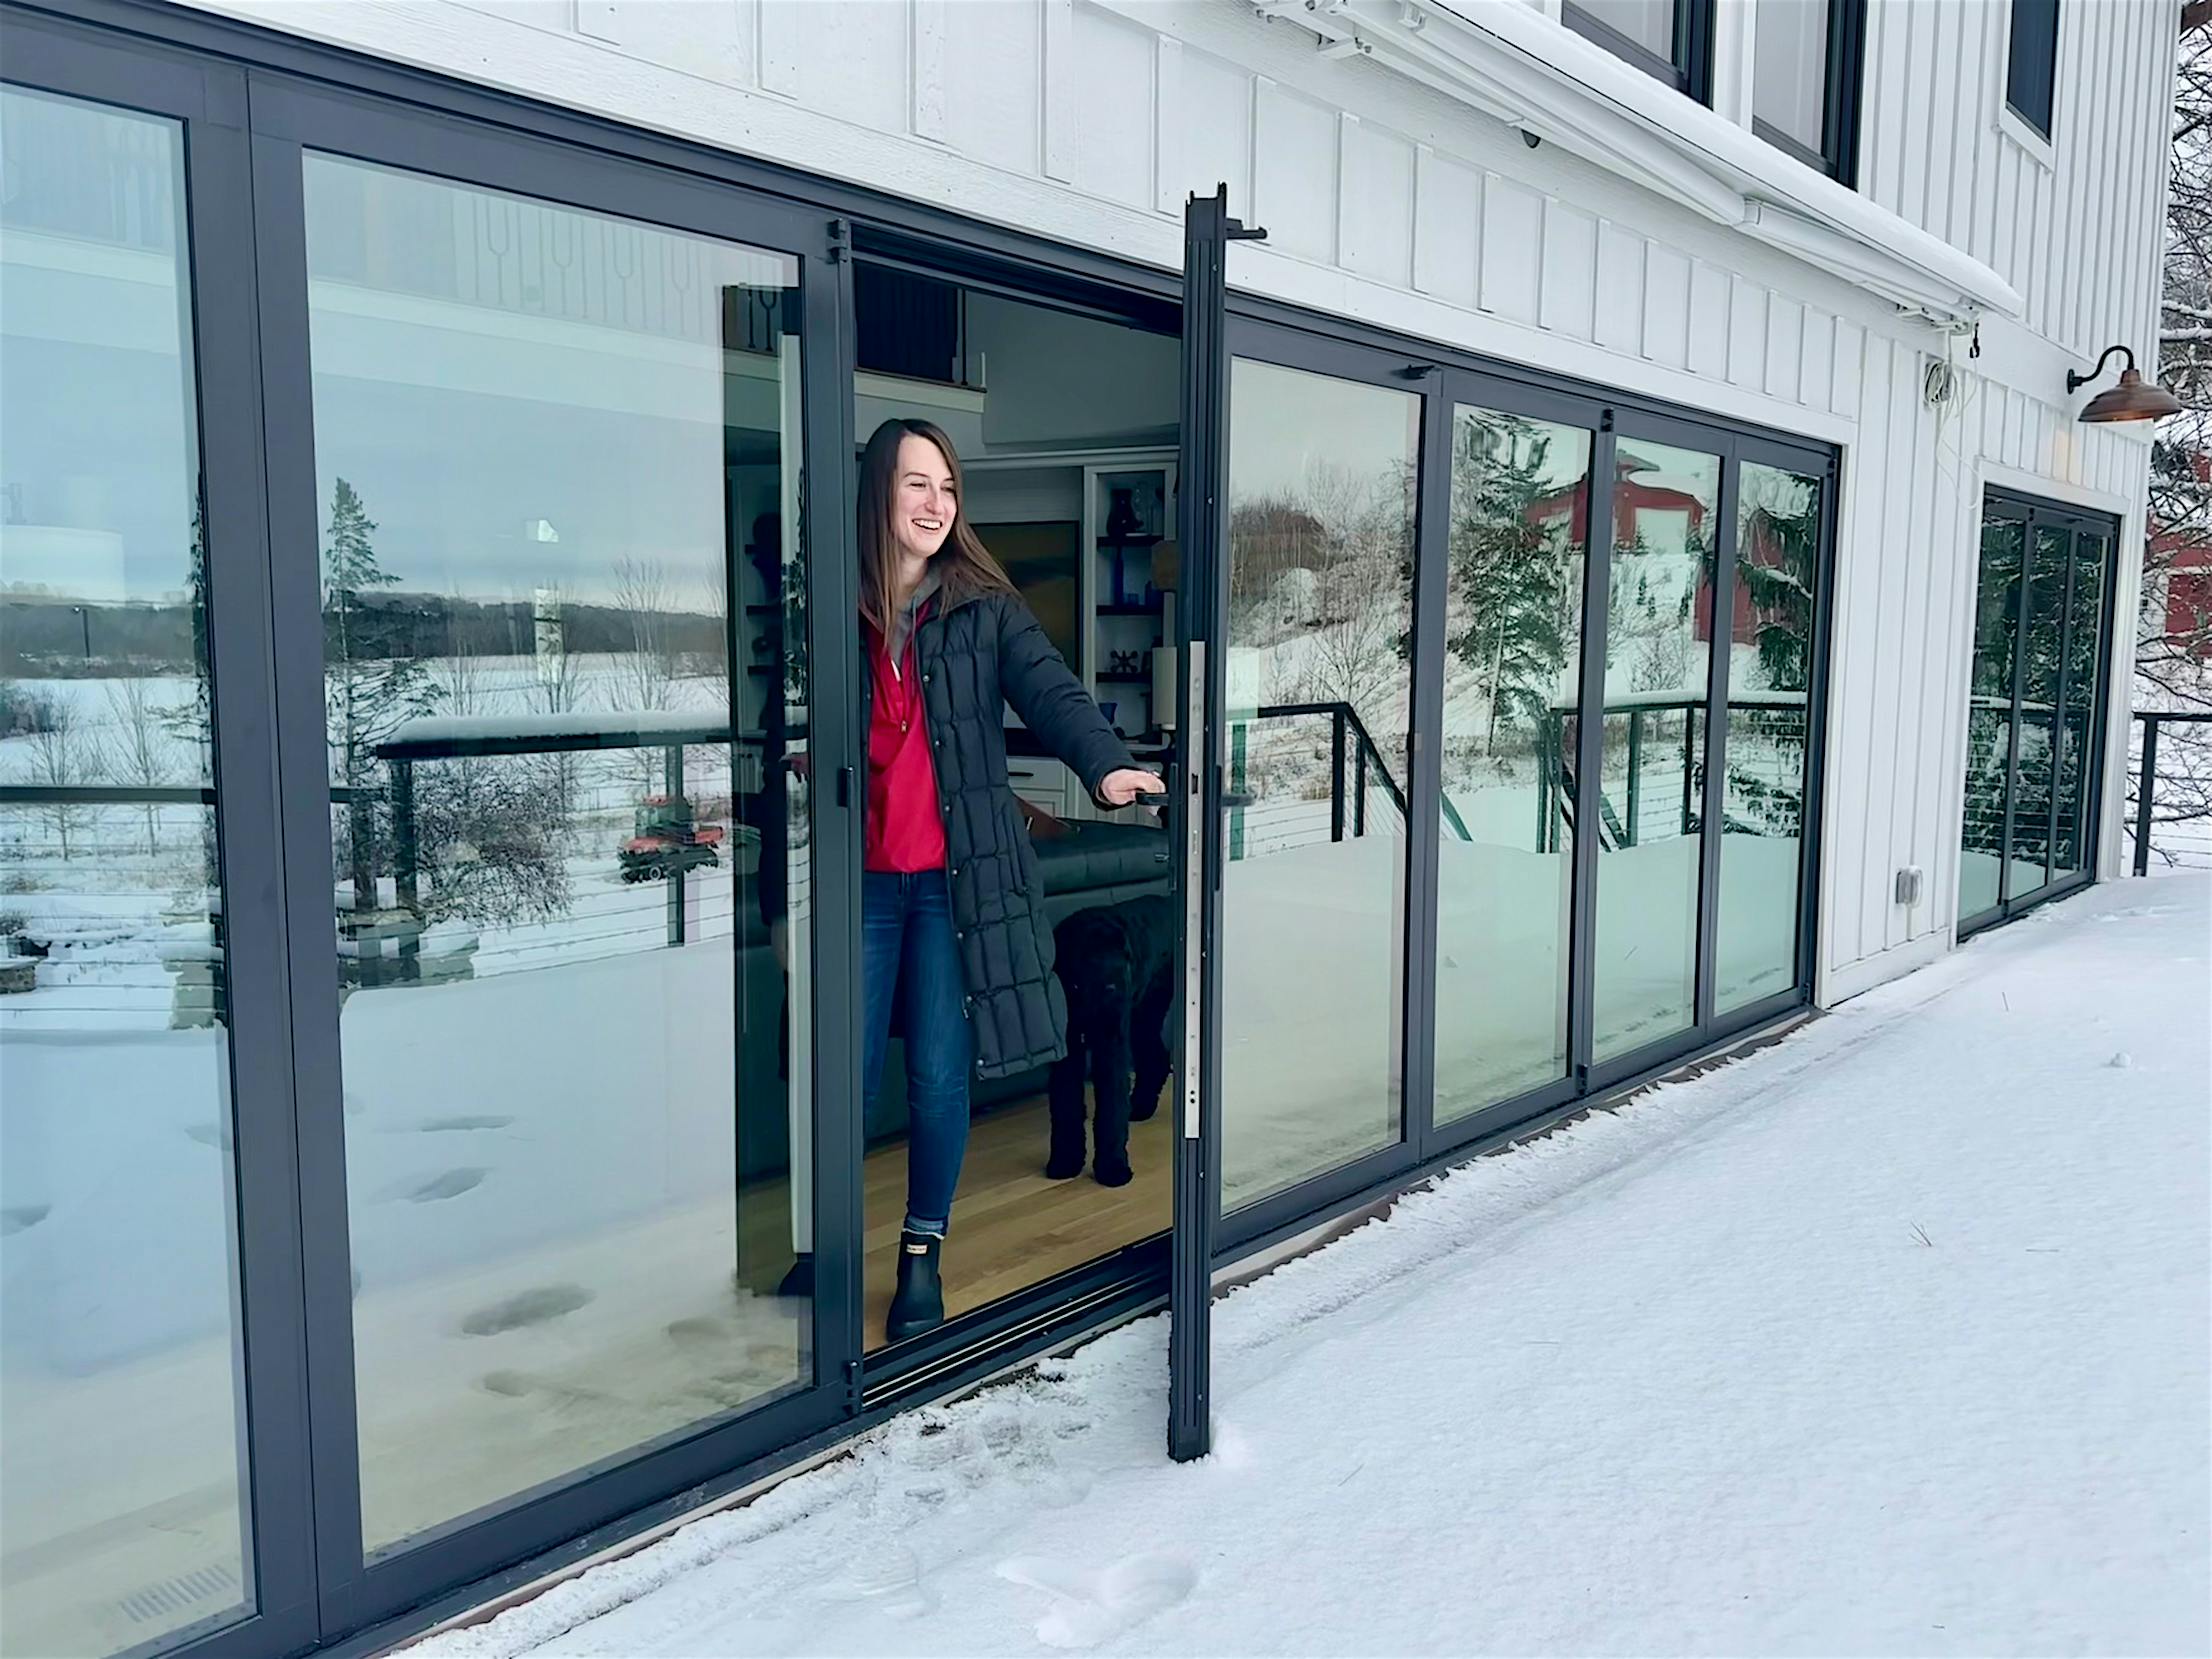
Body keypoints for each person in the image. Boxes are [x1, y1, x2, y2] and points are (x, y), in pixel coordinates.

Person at [859, 417, 1162, 1343]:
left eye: (947, 487)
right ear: (882, 493)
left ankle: (921, 1252)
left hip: (960, 884)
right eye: (918, 484)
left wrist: (1105, 764)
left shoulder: (983, 604)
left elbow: (1052, 687)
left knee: (940, 1074)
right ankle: (827, 1246)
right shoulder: (843, 608)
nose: (936, 504)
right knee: (846, 1071)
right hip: (863, 887)